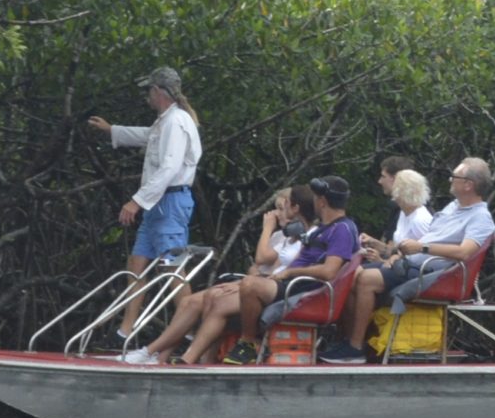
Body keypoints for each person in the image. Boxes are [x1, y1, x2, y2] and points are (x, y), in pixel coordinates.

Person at [322, 157, 495, 364]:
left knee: (366, 279)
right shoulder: (453, 207)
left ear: (468, 185)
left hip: (435, 273)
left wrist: (421, 247)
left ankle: (355, 347)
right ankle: (354, 340)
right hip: (414, 262)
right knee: (353, 273)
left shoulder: (481, 218)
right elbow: (429, 238)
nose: (450, 179)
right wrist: (399, 253)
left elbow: (465, 253)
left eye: (455, 177)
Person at [173, 175, 359, 365]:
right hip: (290, 283)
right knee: (219, 301)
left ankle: (247, 343)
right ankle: (192, 360)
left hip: (304, 289)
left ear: (322, 201)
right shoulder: (324, 229)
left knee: (251, 285)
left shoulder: (342, 229)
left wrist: (290, 273)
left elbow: (329, 271)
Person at [129, 184, 316, 364]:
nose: (276, 214)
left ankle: (176, 355)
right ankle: (160, 356)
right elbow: (263, 267)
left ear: (294, 209)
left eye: (281, 209)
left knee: (215, 299)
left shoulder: (308, 236)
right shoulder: (286, 237)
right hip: (262, 283)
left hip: (274, 289)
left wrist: (267, 228)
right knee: (190, 301)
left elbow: (264, 261)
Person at [87, 67, 201, 339]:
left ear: (158, 92)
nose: (147, 97)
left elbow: (170, 167)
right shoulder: (165, 121)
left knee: (173, 267)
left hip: (170, 204)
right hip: (157, 207)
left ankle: (192, 331)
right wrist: (111, 130)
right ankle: (125, 330)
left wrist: (135, 202)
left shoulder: (176, 121)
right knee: (137, 262)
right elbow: (146, 136)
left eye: (149, 91)